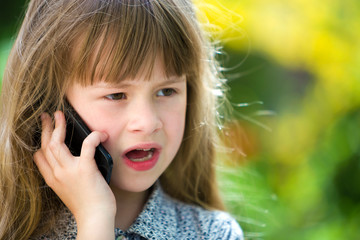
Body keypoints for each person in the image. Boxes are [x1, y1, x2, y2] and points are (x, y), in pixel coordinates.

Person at [0, 0, 243, 239]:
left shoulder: (213, 233)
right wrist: (94, 216)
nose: (147, 123)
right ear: (52, 104)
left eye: (166, 91)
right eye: (116, 95)